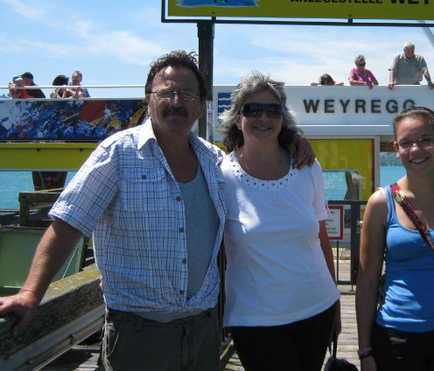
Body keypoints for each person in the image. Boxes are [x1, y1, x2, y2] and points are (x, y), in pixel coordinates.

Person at [0, 51, 313, 370]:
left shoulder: (215, 161)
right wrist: (30, 293)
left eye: (187, 93)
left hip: (203, 331)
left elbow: (259, 168)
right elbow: (68, 224)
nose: (176, 101)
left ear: (202, 104)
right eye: (166, 92)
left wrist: (291, 140)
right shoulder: (117, 154)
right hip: (138, 337)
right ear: (149, 101)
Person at [219, 71, 341, 371]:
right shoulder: (219, 176)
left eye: (272, 110)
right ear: (238, 118)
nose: (264, 117)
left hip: (317, 308)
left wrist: (336, 301)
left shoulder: (308, 167)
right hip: (255, 320)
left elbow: (321, 238)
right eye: (253, 110)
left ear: (282, 118)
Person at [356, 106, 434, 371]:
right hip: (395, 334)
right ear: (396, 150)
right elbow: (366, 282)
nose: (416, 150)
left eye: (425, 140)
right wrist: (365, 350)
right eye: (406, 143)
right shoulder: (381, 203)